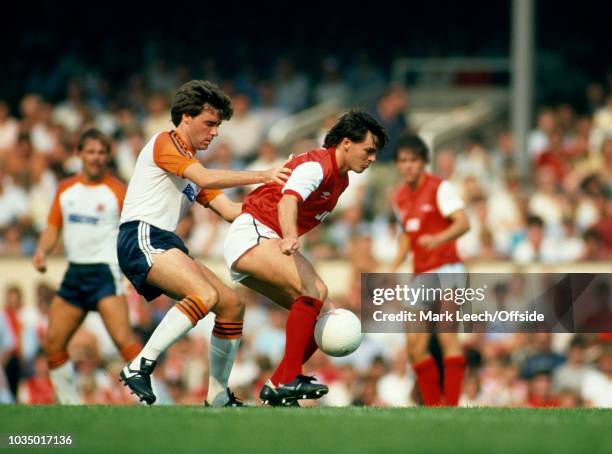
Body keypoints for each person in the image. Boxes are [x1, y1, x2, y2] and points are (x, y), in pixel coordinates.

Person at [117, 80, 291, 406]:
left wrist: (284, 202)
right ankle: (139, 366)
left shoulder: (191, 165)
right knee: (205, 295)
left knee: (231, 305)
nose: (214, 133)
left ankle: (219, 396)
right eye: (209, 123)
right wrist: (264, 174)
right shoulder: (166, 143)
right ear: (185, 116)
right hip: (141, 235)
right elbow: (206, 179)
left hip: (165, 241)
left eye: (218, 126)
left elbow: (231, 211)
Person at [223, 110, 388, 406]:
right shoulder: (317, 166)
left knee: (321, 306)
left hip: (260, 237)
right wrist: (289, 235)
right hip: (257, 234)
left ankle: (279, 384)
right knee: (315, 293)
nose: (372, 158)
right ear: (347, 143)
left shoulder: (342, 180)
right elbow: (289, 199)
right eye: (369, 150)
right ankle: (285, 380)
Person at [32, 128, 143, 404]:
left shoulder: (118, 191)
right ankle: (70, 404)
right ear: (79, 153)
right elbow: (52, 227)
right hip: (75, 274)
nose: (96, 157)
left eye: (102, 152)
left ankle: (154, 399)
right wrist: (42, 250)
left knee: (124, 341)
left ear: (108, 156)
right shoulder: (65, 189)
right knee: (54, 343)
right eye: (91, 151)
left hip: (106, 273)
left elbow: (134, 233)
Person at [388, 134, 470, 406]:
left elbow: (463, 223)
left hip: (448, 268)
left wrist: (438, 238)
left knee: (447, 336)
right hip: (421, 274)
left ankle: (453, 405)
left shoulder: (439, 188)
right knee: (415, 346)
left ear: (423, 162)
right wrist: (392, 266)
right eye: (403, 161)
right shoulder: (399, 197)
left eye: (413, 160)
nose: (408, 166)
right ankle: (434, 406)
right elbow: (405, 237)